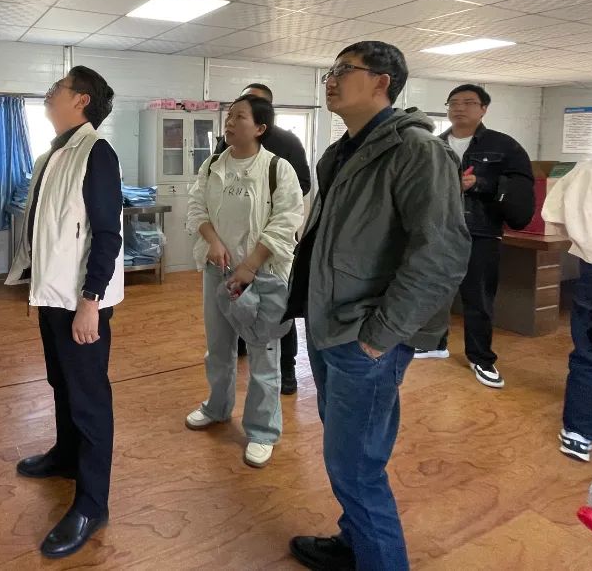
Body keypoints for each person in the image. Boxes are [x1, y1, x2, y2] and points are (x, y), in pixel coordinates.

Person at [287, 41, 470, 571]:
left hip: (364, 335)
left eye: (343, 70)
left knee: (358, 468)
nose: (330, 79)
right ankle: (355, 544)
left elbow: (441, 254)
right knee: (345, 456)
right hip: (329, 324)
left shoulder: (417, 150)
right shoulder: (342, 151)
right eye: (330, 70)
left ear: (382, 82)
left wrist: (381, 334)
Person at [6, 66, 123, 559]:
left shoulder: (97, 152)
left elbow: (108, 233)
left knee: (89, 400)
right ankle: (66, 455)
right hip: (52, 296)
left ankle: (93, 504)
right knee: (61, 383)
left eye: (57, 88)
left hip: (80, 302)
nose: (49, 94)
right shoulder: (53, 153)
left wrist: (90, 301)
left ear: (81, 100)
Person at [185, 96, 303, 468]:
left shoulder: (278, 169)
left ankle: (263, 431)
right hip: (218, 272)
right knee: (218, 348)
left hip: (262, 276)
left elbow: (286, 222)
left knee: (263, 354)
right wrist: (213, 241)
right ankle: (217, 406)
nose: (230, 122)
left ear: (260, 128)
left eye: (240, 116)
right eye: (229, 116)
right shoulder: (212, 166)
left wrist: (250, 266)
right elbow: (196, 208)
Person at [416, 85, 534, 390]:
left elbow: (521, 186)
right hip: (438, 230)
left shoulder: (504, 146)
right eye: (454, 102)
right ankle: (433, 342)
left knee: (478, 297)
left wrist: (479, 183)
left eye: (469, 102)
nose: (460, 108)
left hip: (480, 231)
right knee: (432, 290)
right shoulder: (434, 144)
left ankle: (481, 358)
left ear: (483, 109)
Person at [214, 83, 312, 394]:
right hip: (232, 248)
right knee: (239, 302)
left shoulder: (285, 145)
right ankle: (243, 344)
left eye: (244, 111)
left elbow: (302, 187)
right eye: (233, 111)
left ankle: (287, 370)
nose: (233, 119)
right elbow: (210, 190)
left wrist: (266, 202)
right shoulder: (225, 147)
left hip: (271, 247)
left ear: (263, 117)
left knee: (275, 311)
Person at [542, 118, 592, 463]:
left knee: (591, 351)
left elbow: (553, 214)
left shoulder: (585, 171)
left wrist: (586, 235)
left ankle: (579, 434)